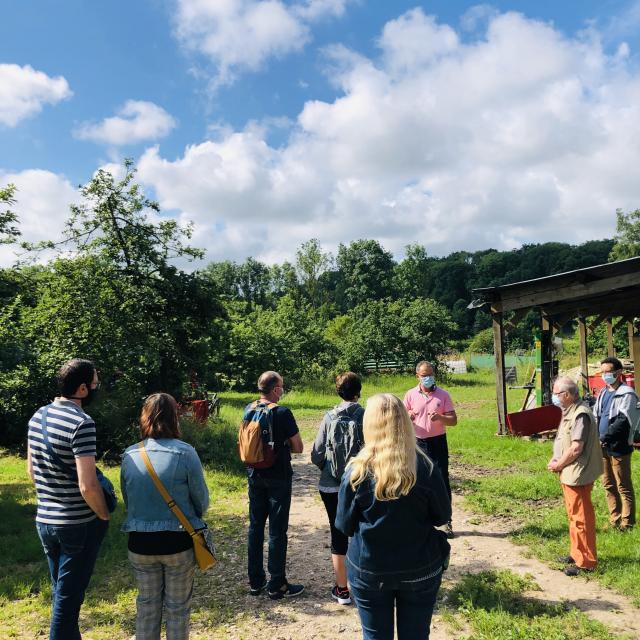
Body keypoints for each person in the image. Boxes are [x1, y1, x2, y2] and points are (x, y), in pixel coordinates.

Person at [336, 393, 450, 640]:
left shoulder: (356, 472)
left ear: (369, 425)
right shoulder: (426, 467)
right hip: (420, 567)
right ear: (405, 423)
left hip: (369, 568)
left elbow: (344, 525)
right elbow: (442, 516)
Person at [27, 358, 109, 640]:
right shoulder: (82, 423)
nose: (99, 386)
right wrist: (104, 515)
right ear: (84, 389)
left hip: (45, 521)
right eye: (96, 381)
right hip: (76, 524)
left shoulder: (38, 415)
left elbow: (31, 471)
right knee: (67, 603)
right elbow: (87, 486)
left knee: (63, 593)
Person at [121, 392, 209, 640]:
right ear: (175, 417)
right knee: (178, 609)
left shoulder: (129, 455)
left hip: (139, 544)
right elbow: (201, 500)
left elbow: (128, 500)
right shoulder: (186, 453)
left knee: (146, 607)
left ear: (144, 418)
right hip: (177, 542)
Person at [245, 371, 305, 599]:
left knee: (255, 527)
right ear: (275, 389)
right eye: (281, 386)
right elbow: (298, 447)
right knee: (277, 531)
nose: (282, 389)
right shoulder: (282, 412)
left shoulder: (248, 409)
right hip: (278, 476)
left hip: (254, 475)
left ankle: (255, 581)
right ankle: (277, 584)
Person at [311, 371, 365, 606]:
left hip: (330, 485)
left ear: (338, 391)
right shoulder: (366, 415)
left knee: (338, 533)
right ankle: (365, 584)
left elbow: (316, 453)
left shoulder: (329, 416)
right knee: (363, 531)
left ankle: (342, 590)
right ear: (358, 391)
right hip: (361, 483)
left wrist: (329, 469)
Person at [547, 376, 603, 576]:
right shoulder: (570, 410)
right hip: (569, 471)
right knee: (573, 516)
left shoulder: (580, 414)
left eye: (556, 394)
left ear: (568, 395)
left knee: (581, 519)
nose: (553, 397)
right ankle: (576, 552)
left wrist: (558, 464)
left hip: (577, 473)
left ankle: (586, 562)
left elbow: (576, 448)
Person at [403, 360, 457, 538]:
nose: (428, 378)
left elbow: (453, 420)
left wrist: (441, 417)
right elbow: (402, 420)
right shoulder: (410, 395)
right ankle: (421, 520)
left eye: (431, 374)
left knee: (442, 479)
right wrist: (408, 416)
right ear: (417, 376)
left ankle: (446, 521)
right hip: (418, 442)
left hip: (438, 441)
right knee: (418, 480)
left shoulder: (443, 395)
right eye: (424, 375)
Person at [594, 357, 638, 532]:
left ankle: (627, 523)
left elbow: (623, 421)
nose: (605, 375)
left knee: (623, 485)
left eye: (608, 372)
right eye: (603, 372)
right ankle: (615, 518)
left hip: (619, 446)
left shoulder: (627, 394)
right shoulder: (603, 393)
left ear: (618, 373)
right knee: (608, 484)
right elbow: (597, 415)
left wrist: (604, 437)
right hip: (603, 446)